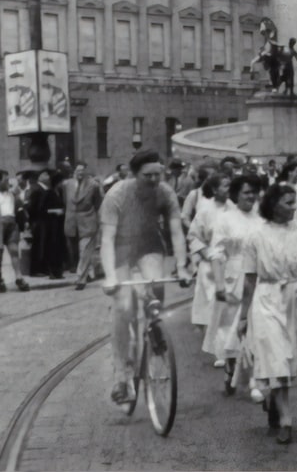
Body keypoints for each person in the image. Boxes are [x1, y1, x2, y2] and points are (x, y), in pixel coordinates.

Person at [238, 182, 297, 445]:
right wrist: (244, 316)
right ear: (273, 204)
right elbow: (249, 280)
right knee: (277, 358)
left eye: (295, 202)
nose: (294, 208)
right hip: (266, 300)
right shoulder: (256, 235)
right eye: (288, 203)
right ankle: (286, 421)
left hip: (295, 297)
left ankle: (273, 402)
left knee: (287, 361)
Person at [100, 150, 191, 405]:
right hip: (120, 248)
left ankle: (154, 333)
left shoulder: (165, 192)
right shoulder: (116, 195)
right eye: (147, 175)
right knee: (124, 305)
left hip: (149, 244)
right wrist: (109, 276)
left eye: (157, 174)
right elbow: (106, 239)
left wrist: (182, 266)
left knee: (154, 289)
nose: (153, 180)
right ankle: (121, 375)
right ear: (133, 174)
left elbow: (175, 231)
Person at [203, 174, 261, 394]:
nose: (251, 196)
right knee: (232, 332)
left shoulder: (261, 218)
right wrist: (219, 284)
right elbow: (216, 253)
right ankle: (230, 368)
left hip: (255, 279)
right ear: (236, 194)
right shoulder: (225, 219)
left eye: (254, 192)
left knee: (254, 327)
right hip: (232, 278)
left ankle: (255, 378)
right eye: (246, 192)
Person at [187, 175, 233, 334]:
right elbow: (193, 236)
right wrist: (206, 253)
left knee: (232, 308)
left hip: (232, 265)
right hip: (210, 267)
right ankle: (221, 352)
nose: (229, 189)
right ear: (214, 190)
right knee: (216, 305)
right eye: (225, 185)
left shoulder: (235, 208)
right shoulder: (205, 211)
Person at [0, 170, 29, 292]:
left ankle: (19, 278)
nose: (8, 182)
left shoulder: (11, 193)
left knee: (14, 251)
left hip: (11, 224)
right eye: (5, 180)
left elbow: (19, 206)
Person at [63, 162, 103, 291]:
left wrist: (96, 219)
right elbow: (66, 201)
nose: (80, 173)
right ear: (74, 172)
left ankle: (81, 278)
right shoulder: (67, 184)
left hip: (88, 221)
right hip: (71, 222)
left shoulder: (93, 185)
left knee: (85, 250)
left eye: (82, 170)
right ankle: (88, 272)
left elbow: (98, 203)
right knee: (76, 251)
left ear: (86, 171)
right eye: (78, 170)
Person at [26, 169, 66, 279]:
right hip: (44, 223)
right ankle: (40, 269)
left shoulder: (55, 192)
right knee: (42, 246)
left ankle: (49, 269)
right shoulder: (41, 191)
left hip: (52, 223)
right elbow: (37, 209)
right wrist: (53, 212)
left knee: (46, 246)